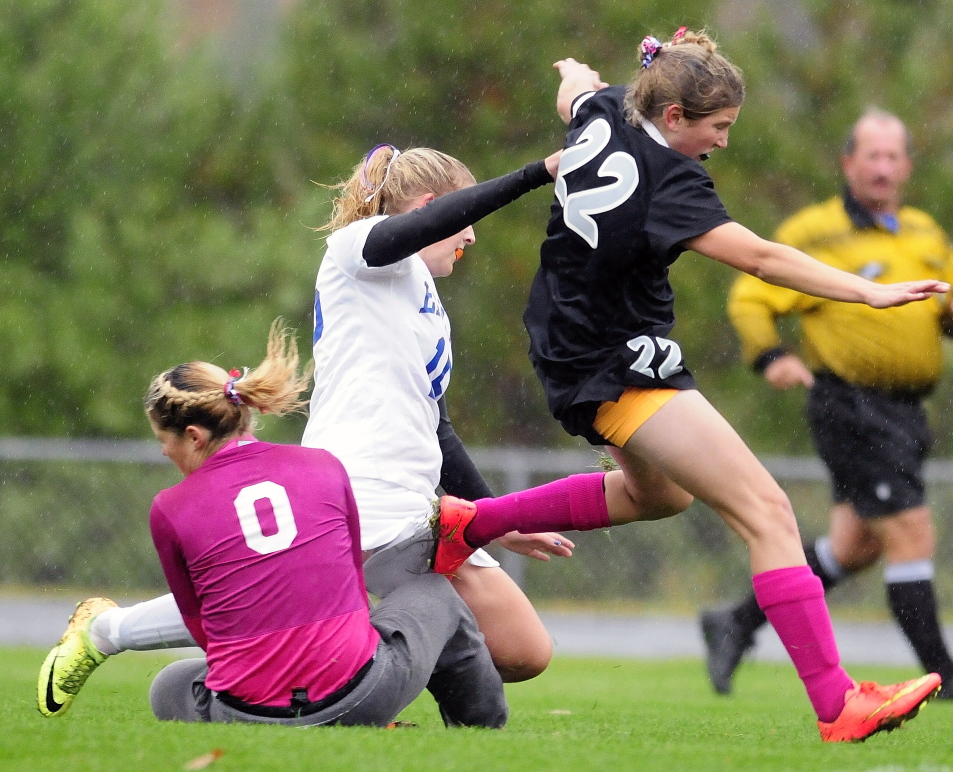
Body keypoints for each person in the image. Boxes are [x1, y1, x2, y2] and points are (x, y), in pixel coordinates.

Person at [38, 145, 611, 719]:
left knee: (521, 650)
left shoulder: (422, 292)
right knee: (269, 607)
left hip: (415, 504)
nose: (472, 237)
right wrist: (537, 173)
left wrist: (495, 521)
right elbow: (404, 233)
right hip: (353, 489)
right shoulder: (357, 250)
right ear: (433, 208)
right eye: (464, 217)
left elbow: (435, 420)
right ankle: (109, 633)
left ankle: (352, 678)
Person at [512, 29, 947, 743]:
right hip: (617, 360)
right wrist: (865, 295)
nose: (723, 143)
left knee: (662, 496)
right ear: (677, 117)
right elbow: (763, 258)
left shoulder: (605, 110)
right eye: (719, 128)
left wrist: (570, 68)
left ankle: (470, 524)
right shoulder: (670, 174)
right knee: (767, 512)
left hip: (569, 344)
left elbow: (577, 90)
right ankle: (837, 704)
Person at [700, 109, 953, 702]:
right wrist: (770, 357)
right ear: (848, 163)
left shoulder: (922, 232)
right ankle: (945, 673)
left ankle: (736, 620)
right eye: (872, 156)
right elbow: (751, 294)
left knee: (855, 547)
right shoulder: (815, 230)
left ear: (907, 167)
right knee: (910, 530)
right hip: (850, 405)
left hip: (908, 412)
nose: (884, 168)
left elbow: (946, 305)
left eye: (894, 157)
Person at [68, 323, 507, 728]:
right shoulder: (322, 465)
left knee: (168, 686)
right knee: (432, 590)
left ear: (195, 437)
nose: (165, 453)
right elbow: (354, 588)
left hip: (243, 713)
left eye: (165, 441)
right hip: (361, 696)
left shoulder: (168, 507)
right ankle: (479, 729)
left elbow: (204, 630)